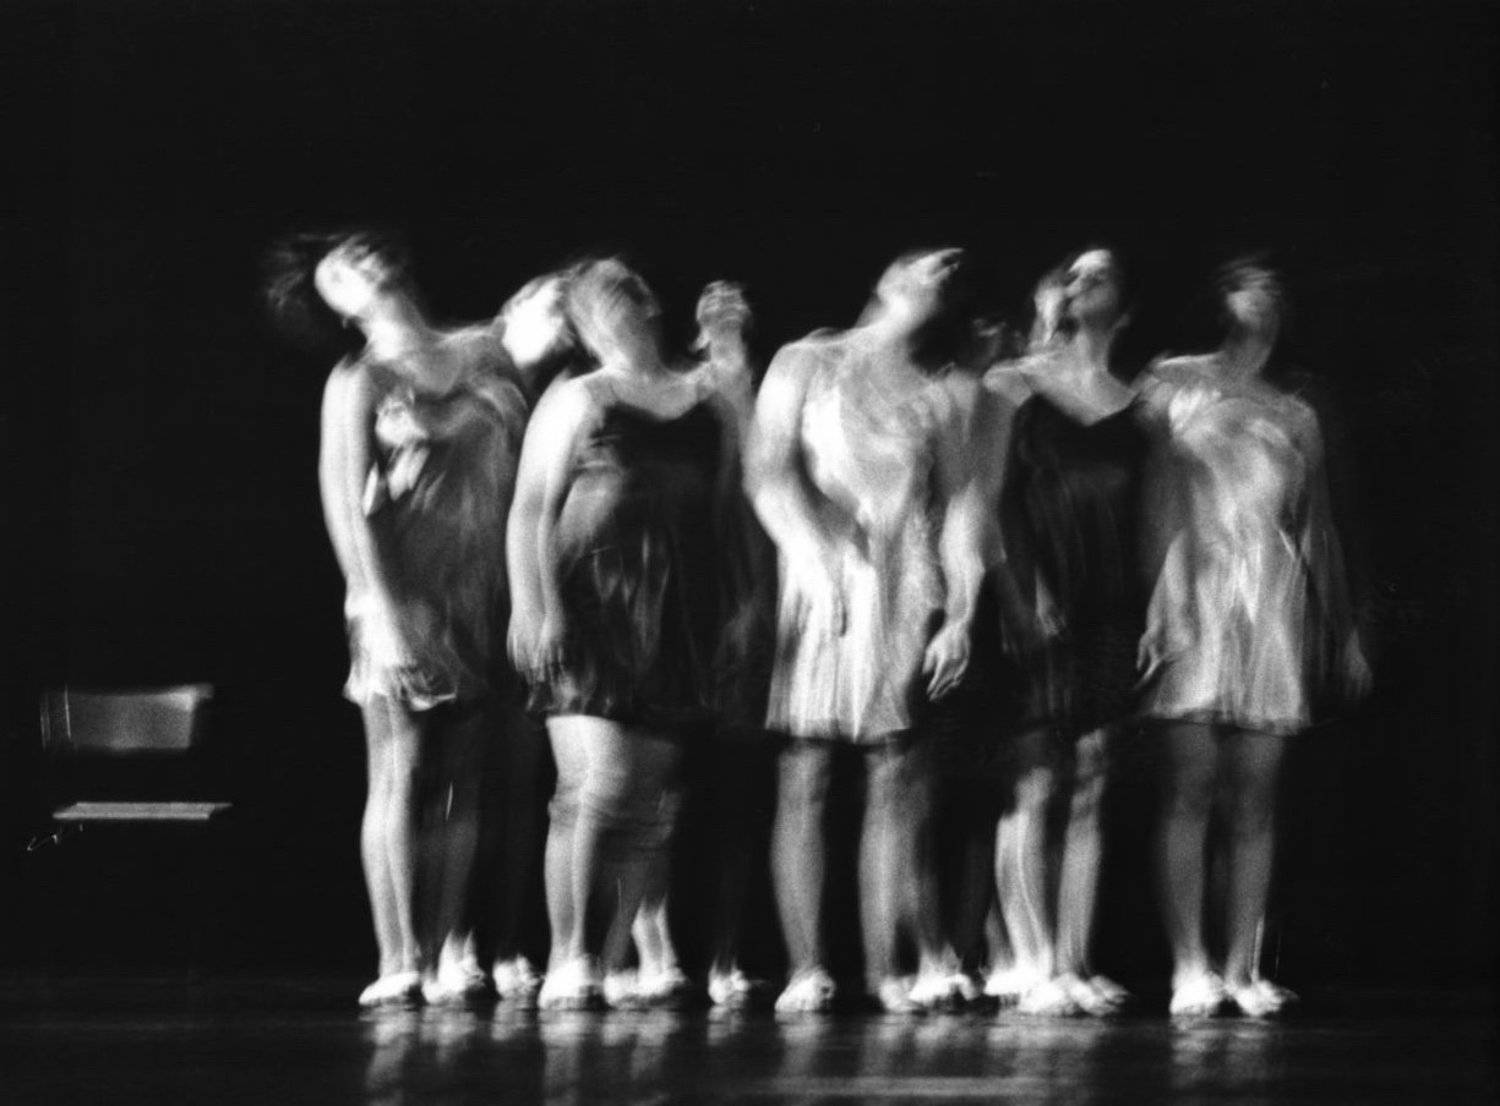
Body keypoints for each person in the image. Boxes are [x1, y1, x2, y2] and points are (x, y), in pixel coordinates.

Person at [267, 230, 529, 1007]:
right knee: (403, 767)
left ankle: (452, 948)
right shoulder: (360, 380)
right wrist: (378, 605)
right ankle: (399, 956)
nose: (361, 264)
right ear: (338, 307)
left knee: (464, 777)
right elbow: (345, 502)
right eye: (339, 272)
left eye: (361, 252)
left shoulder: (483, 351)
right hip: (402, 588)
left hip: (481, 584)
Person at [506, 258, 753, 1009]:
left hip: (679, 607)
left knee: (647, 804)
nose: (615, 307)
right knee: (596, 787)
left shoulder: (707, 396)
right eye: (596, 302)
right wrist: (535, 606)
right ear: (581, 325)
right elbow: (531, 509)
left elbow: (736, 503)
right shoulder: (580, 396)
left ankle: (614, 961)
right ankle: (569, 956)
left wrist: (745, 601)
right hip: (592, 604)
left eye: (625, 292)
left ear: (648, 303)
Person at [748, 248, 988, 1013]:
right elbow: (767, 471)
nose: (943, 272)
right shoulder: (807, 361)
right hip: (824, 576)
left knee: (895, 774)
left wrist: (961, 612)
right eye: (928, 264)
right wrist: (813, 555)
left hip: (904, 585)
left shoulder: (936, 395)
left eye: (950, 275)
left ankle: (886, 971)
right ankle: (807, 967)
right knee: (808, 768)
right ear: (887, 279)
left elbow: (959, 508)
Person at [1137, 260, 1369, 1017]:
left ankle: (1241, 967)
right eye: (1246, 282)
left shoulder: (1295, 410)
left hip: (1268, 597)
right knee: (1189, 786)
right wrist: (1162, 597)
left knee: (1256, 796)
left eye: (1272, 285)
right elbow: (1155, 492)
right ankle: (1189, 965)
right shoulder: (1174, 379)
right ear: (1219, 298)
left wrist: (1342, 629)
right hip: (1195, 582)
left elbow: (1315, 525)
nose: (1260, 293)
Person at [985, 248, 1146, 1016]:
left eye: (1099, 274)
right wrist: (1022, 596)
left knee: (1092, 778)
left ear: (1127, 307)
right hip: (1036, 591)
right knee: (1037, 779)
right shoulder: (1013, 384)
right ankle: (1031, 959)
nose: (1080, 282)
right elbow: (986, 502)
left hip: (1110, 599)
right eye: (1072, 273)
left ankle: (1075, 959)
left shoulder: (1133, 404)